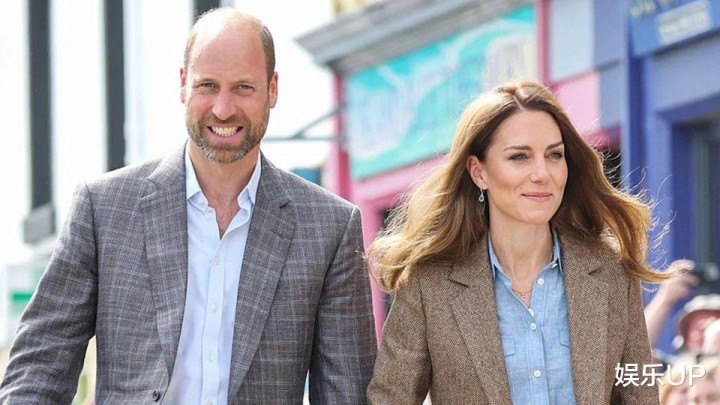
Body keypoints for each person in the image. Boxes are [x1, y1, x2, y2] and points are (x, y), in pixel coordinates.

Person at [0, 8, 376, 404]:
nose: (223, 109)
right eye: (207, 85)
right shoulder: (104, 210)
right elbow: (40, 370)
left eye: (243, 88)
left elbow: (347, 393)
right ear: (183, 85)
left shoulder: (329, 228)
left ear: (272, 89)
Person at [366, 80, 672, 404]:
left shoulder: (610, 270)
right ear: (478, 172)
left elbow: (640, 396)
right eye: (519, 157)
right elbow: (390, 399)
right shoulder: (430, 283)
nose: (542, 173)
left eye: (554, 155)